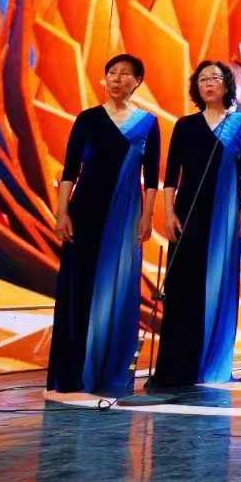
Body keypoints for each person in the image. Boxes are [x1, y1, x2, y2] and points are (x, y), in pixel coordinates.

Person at [48, 53, 160, 396]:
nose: (116, 79)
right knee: (78, 286)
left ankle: (108, 371)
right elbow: (70, 170)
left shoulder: (148, 123)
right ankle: (73, 373)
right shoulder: (87, 119)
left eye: (125, 74)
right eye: (111, 72)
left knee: (118, 288)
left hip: (126, 216)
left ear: (137, 81)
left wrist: (147, 215)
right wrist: (62, 212)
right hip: (84, 212)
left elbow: (152, 177)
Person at [154, 61, 241, 387]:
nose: (209, 83)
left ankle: (213, 362)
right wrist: (169, 212)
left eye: (215, 78)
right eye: (202, 79)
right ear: (196, 88)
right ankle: (178, 365)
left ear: (227, 85)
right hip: (187, 212)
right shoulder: (185, 125)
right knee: (183, 284)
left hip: (225, 213)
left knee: (218, 282)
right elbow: (172, 175)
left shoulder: (240, 124)